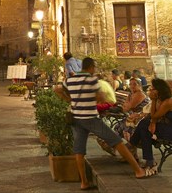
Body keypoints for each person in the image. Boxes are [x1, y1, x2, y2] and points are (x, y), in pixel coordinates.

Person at [57, 57, 150, 189]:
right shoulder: (92, 80)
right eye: (94, 67)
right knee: (116, 141)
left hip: (76, 118)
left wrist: (70, 99)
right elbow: (100, 97)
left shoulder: (70, 80)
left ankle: (84, 182)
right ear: (90, 67)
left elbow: (58, 89)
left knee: (79, 149)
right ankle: (138, 170)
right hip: (90, 117)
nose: (95, 69)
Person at [130, 78, 172, 174]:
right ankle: (148, 160)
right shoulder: (163, 100)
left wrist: (153, 100)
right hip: (170, 128)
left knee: (145, 125)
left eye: (152, 89)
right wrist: (152, 122)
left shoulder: (170, 101)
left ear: (159, 90)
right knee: (145, 126)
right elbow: (153, 116)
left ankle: (132, 146)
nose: (150, 91)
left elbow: (154, 116)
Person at [115, 77, 150, 142]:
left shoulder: (140, 94)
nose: (132, 86)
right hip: (133, 117)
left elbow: (128, 107)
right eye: (130, 84)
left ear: (139, 85)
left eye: (134, 84)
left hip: (141, 118)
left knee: (122, 126)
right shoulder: (131, 94)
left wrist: (127, 105)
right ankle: (119, 145)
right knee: (119, 126)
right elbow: (125, 108)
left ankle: (124, 145)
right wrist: (127, 105)